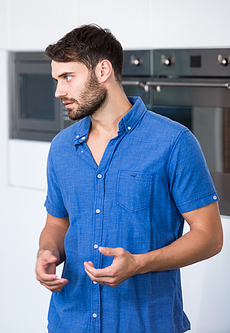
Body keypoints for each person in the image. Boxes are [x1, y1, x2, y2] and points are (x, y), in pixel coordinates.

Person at [35, 24, 223, 333]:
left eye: (67, 77)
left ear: (103, 70)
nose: (59, 91)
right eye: (56, 80)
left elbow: (210, 236)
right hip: (71, 321)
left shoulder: (174, 142)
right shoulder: (62, 148)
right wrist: (48, 252)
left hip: (145, 323)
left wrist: (139, 263)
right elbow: (57, 222)